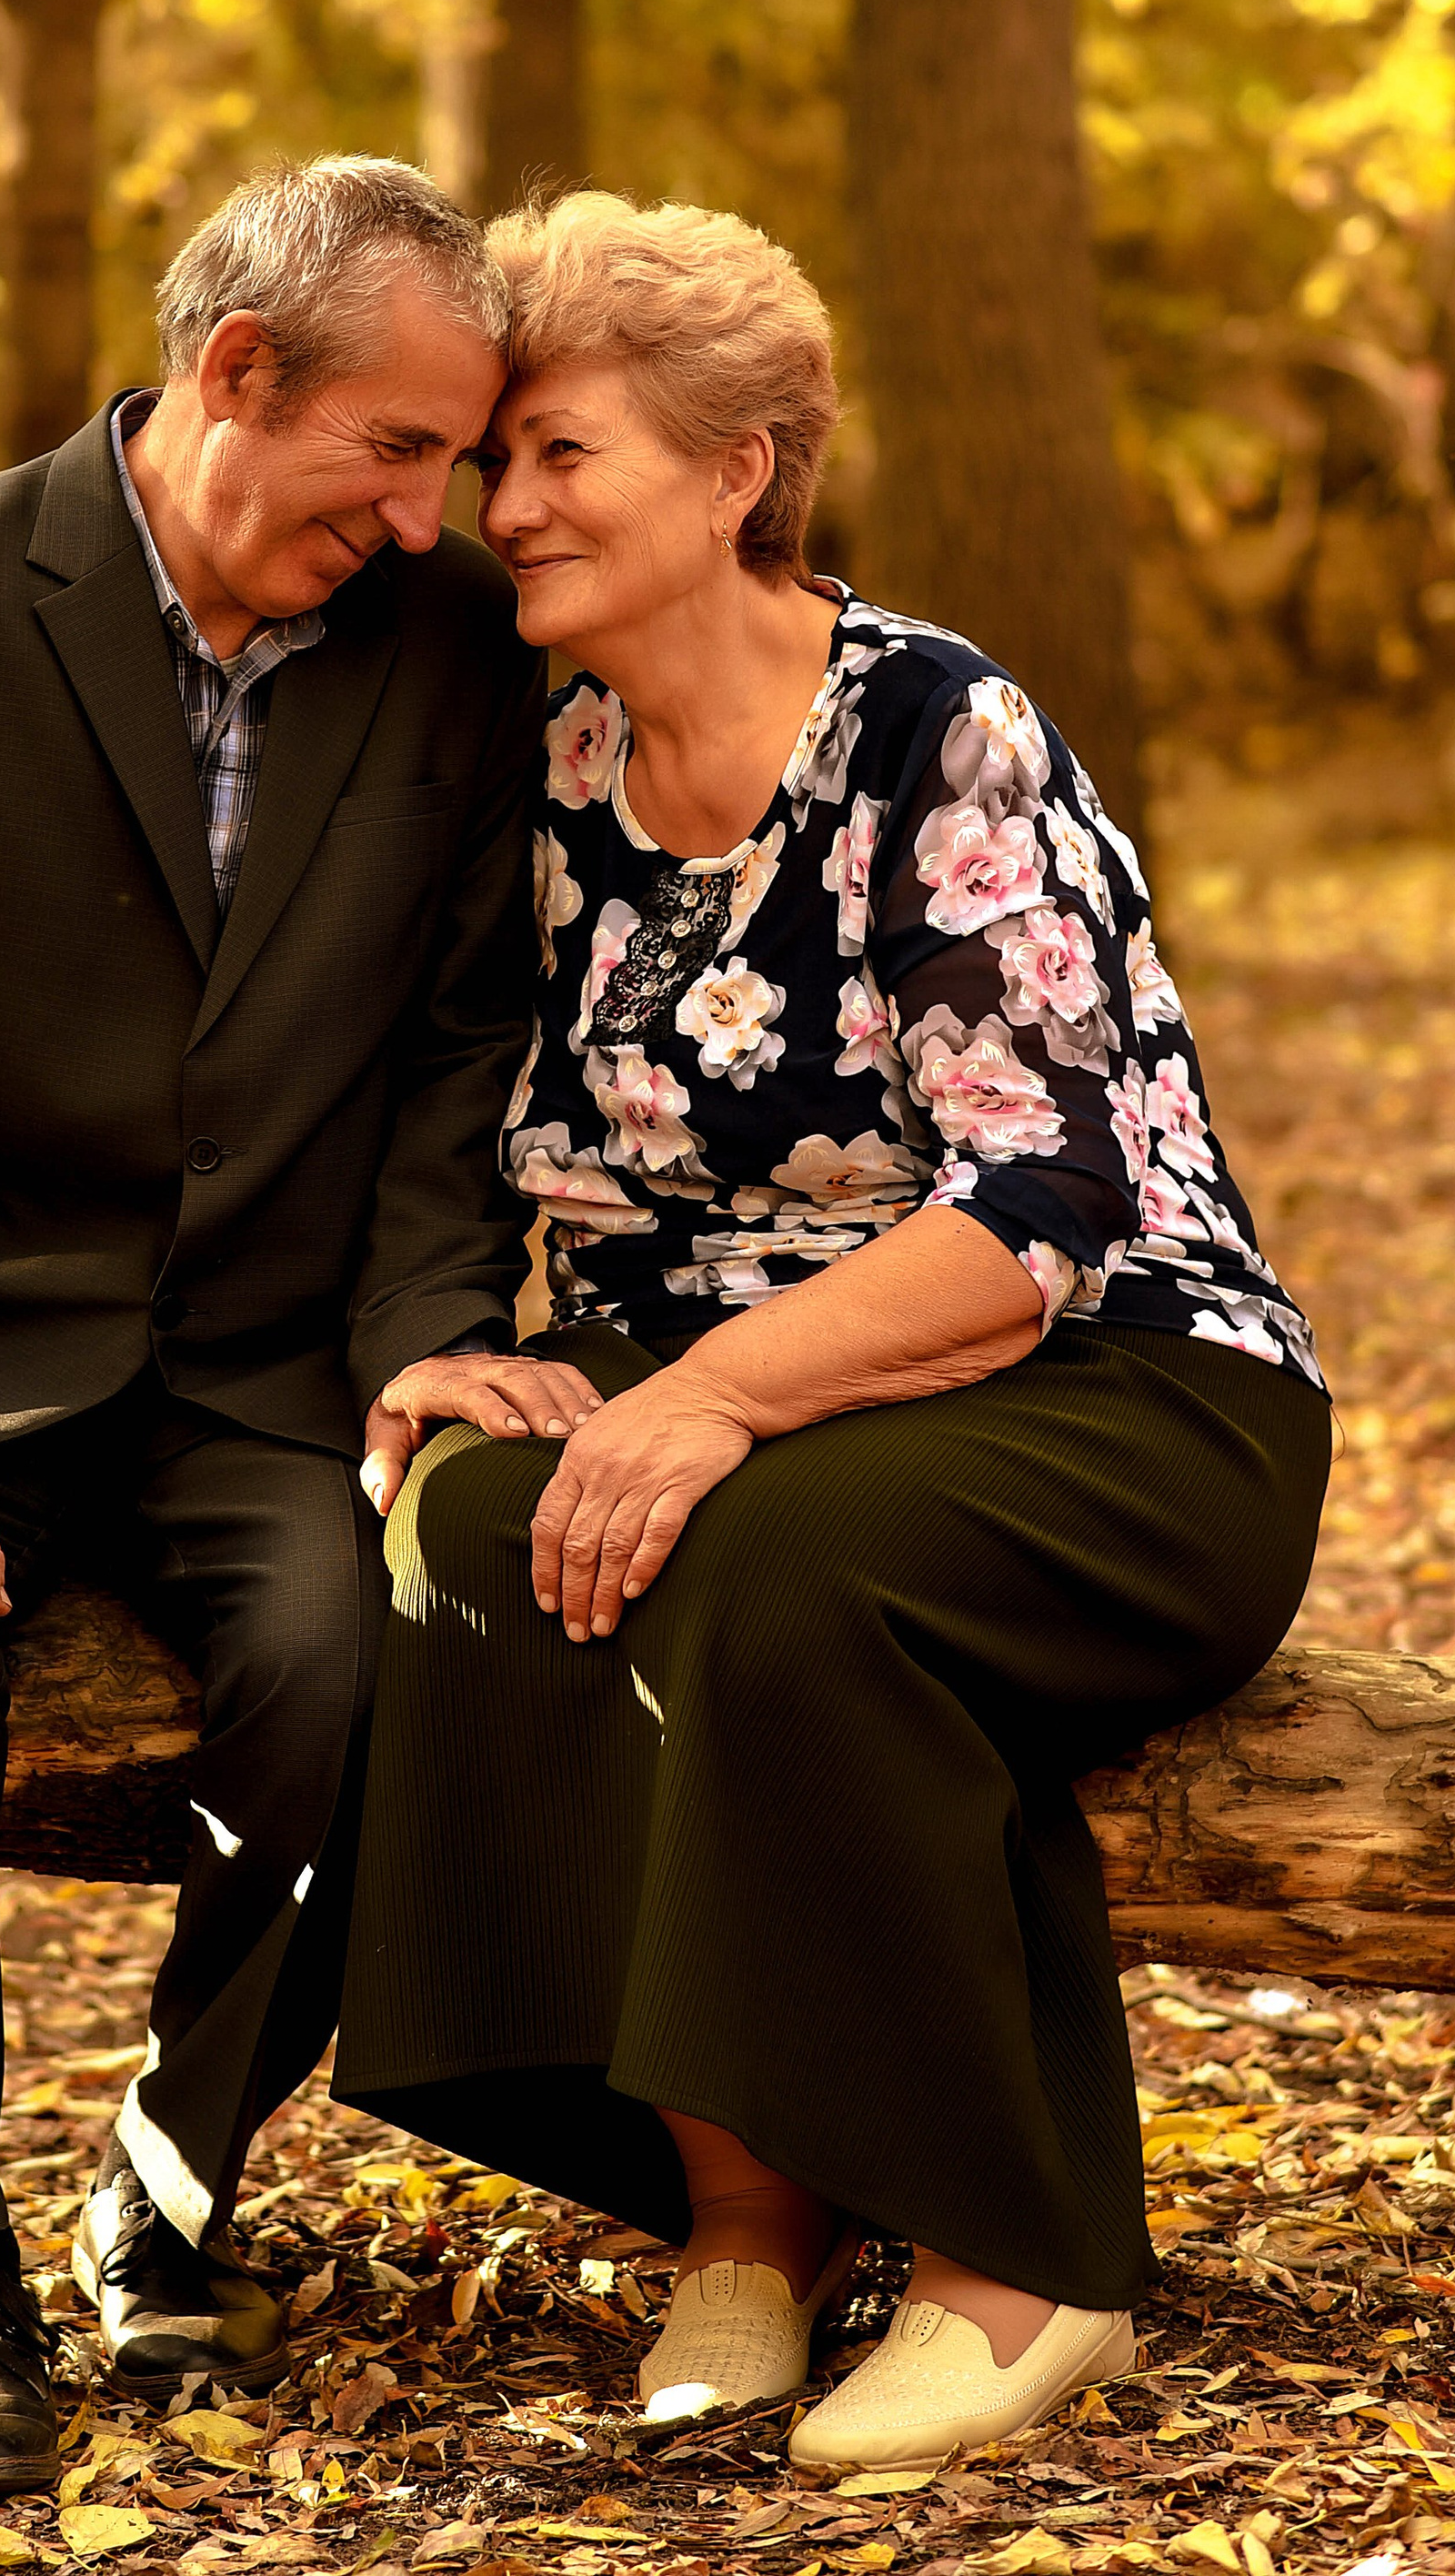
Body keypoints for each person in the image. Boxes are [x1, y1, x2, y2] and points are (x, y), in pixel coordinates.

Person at [335, 192, 1331, 2478]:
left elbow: (1041, 1205)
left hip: (1119, 1388)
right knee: (470, 1519)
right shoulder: (556, 773)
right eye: (494, 465)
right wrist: (450, 1360)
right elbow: (518, 1148)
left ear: (736, 468)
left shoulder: (928, 726)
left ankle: (1013, 2248)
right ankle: (743, 2231)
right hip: (762, 1412)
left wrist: (694, 1404)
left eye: (558, 454)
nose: (503, 513)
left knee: (759, 1559)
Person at [0, 156, 547, 2504]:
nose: (427, 509)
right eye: (400, 446)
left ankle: (170, 2185)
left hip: (280, 1375)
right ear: (235, 372)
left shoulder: (458, 646)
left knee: (366, 1645)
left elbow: (464, 1051)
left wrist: (428, 1339)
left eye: (457, 462)